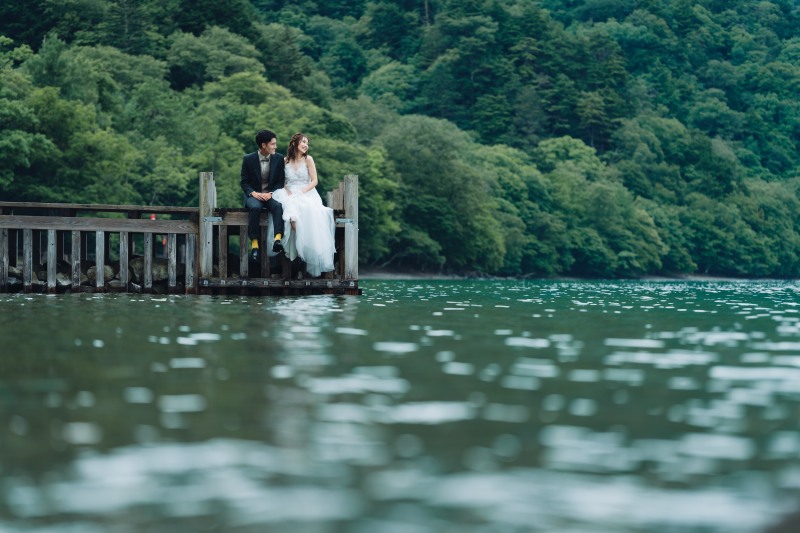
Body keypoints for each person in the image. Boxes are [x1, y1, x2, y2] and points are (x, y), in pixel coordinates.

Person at [272, 133, 335, 277]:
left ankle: (303, 252)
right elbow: (282, 181)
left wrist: (301, 192)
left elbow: (314, 181)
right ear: (295, 143)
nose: (306, 145)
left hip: (306, 192)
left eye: (307, 143)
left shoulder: (309, 159)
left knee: (305, 210)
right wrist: (287, 191)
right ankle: (299, 252)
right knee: (292, 218)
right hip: (288, 193)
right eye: (303, 142)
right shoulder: (285, 160)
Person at [240, 129, 285, 262]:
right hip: (254, 196)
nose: (275, 147)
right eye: (273, 144)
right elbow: (244, 182)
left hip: (271, 195)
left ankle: (277, 239)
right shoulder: (248, 159)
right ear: (263, 145)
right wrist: (253, 193)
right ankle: (255, 245)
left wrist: (271, 193)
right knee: (255, 208)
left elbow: (280, 181)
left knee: (278, 207)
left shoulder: (279, 158)